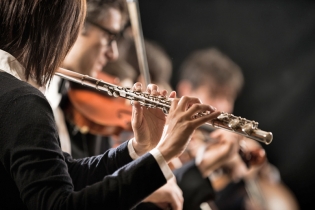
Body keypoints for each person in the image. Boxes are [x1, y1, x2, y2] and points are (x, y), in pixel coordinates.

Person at [0, 1, 222, 210]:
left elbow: (68, 175)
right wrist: (164, 152)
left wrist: (137, 149)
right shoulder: (22, 101)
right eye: (71, 30)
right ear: (55, 30)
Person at [176, 47, 299, 210]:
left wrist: (260, 168)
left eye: (228, 97)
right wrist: (223, 169)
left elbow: (273, 181)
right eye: (213, 95)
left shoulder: (239, 143)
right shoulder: (174, 141)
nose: (223, 107)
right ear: (186, 90)